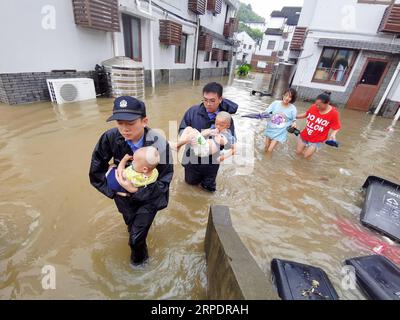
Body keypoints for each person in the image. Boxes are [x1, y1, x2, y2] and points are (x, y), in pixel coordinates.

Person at [89, 96, 173, 267]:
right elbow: (95, 171)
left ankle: (140, 266)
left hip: (150, 198)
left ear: (144, 121)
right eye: (120, 123)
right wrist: (113, 191)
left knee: (135, 240)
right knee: (130, 226)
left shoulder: (159, 143)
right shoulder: (110, 138)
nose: (124, 129)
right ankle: (137, 231)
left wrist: (136, 191)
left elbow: (164, 181)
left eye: (130, 123)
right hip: (122, 197)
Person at [179, 82, 238, 192]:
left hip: (212, 162)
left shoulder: (226, 119)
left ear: (220, 99)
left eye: (212, 100)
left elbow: (231, 142)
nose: (208, 104)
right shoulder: (192, 112)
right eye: (205, 100)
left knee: (208, 191)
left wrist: (222, 142)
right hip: (192, 160)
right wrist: (191, 136)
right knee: (189, 188)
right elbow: (182, 130)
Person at [295, 92, 341, 160]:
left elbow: (337, 127)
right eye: (316, 104)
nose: (317, 107)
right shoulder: (314, 106)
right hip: (305, 135)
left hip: (316, 140)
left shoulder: (333, 113)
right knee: (298, 153)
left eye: (319, 105)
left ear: (327, 103)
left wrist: (333, 134)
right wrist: (295, 117)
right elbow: (306, 114)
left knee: (306, 157)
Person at [264, 88, 298, 153]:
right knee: (266, 147)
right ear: (283, 95)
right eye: (286, 95)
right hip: (270, 128)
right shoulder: (275, 103)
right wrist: (262, 115)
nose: (287, 98)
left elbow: (294, 120)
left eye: (290, 97)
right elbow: (267, 112)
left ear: (292, 99)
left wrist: (294, 123)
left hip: (280, 132)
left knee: (269, 150)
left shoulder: (293, 108)